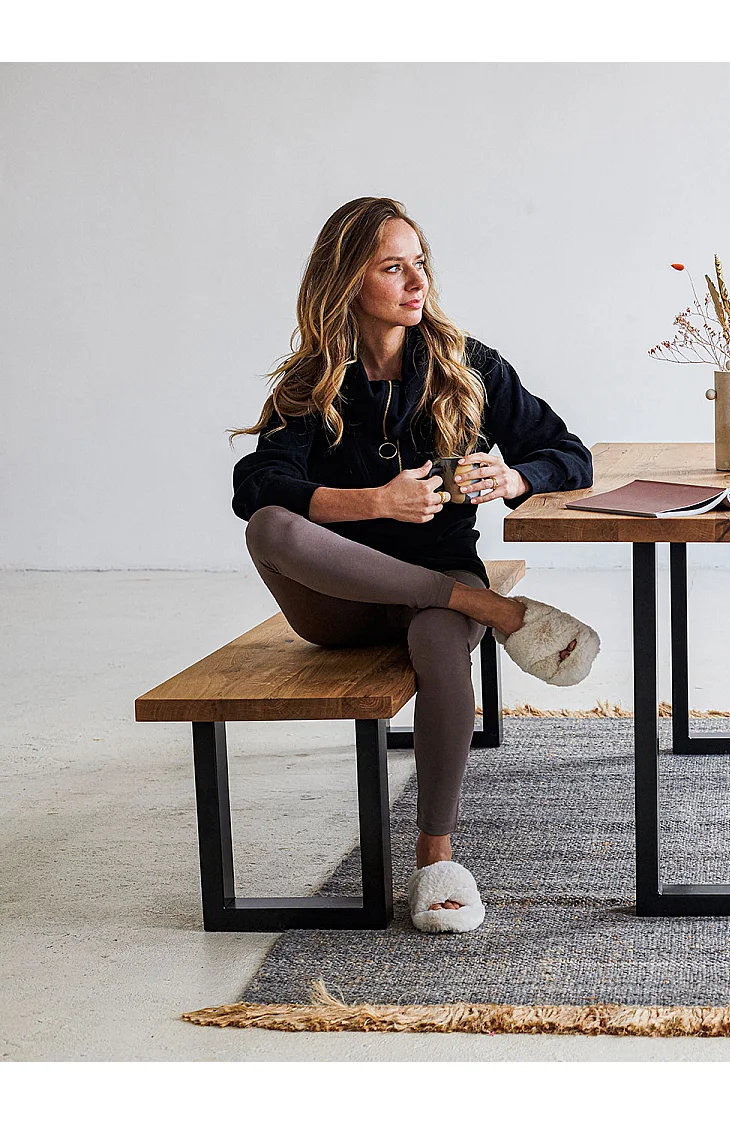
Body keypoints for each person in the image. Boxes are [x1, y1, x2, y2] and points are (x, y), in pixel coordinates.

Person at [228, 196, 598, 934]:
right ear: (346, 283)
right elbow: (255, 488)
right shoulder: (313, 381)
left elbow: (570, 453)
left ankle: (436, 855)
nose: (415, 280)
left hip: (439, 589)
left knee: (436, 637)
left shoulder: (467, 363)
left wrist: (513, 479)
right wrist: (374, 503)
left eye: (418, 261)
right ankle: (490, 609)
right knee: (271, 527)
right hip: (341, 602)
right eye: (392, 267)